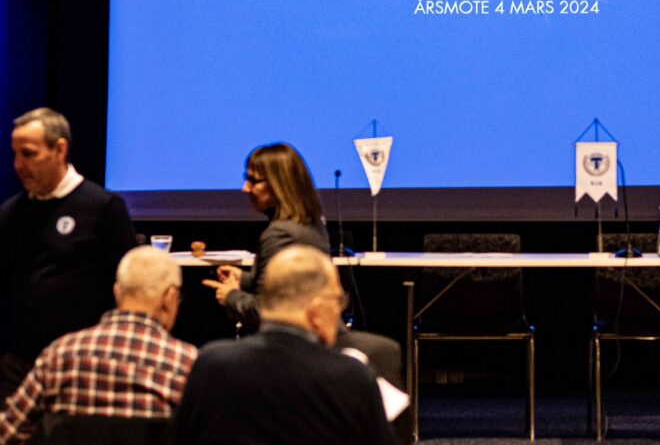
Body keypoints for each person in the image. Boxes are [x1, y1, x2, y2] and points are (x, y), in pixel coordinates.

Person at [175, 245, 396, 445]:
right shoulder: (351, 378)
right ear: (317, 311)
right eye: (338, 300)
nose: (339, 309)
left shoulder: (211, 365)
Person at [0, 108, 137, 398]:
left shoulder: (102, 207)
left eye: (28, 154)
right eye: (15, 155)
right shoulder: (10, 214)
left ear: (60, 149)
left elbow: (128, 289)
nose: (18, 165)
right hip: (21, 364)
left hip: (84, 366)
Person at [0, 246, 197, 442]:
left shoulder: (59, 355)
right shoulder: (188, 364)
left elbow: (8, 432)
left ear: (117, 291)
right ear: (170, 297)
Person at [202, 142, 330, 332]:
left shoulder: (279, 235)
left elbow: (271, 311)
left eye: (253, 181)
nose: (245, 188)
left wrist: (230, 296)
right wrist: (244, 279)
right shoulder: (312, 224)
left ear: (278, 184)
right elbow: (293, 288)